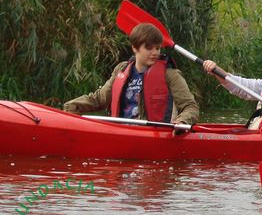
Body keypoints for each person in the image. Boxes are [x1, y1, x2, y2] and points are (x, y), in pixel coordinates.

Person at [63, 23, 199, 133]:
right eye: (149, 48)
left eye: (157, 48)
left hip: (154, 136)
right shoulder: (121, 69)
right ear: (135, 48)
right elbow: (99, 99)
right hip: (121, 132)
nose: (155, 53)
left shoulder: (170, 74)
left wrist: (182, 122)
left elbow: (190, 106)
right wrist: (69, 108)